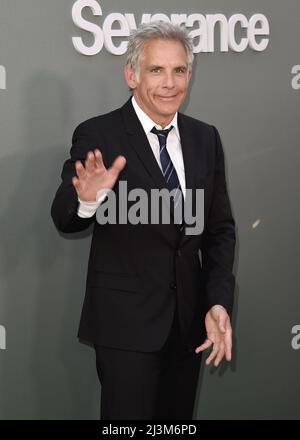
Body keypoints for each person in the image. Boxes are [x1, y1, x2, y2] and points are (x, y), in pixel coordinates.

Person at [51, 21, 236, 420]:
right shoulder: (99, 133)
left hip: (189, 328)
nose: (170, 83)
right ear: (131, 75)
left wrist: (218, 301)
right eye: (156, 70)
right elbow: (64, 215)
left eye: (179, 70)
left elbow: (219, 231)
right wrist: (86, 199)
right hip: (126, 329)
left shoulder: (206, 138)